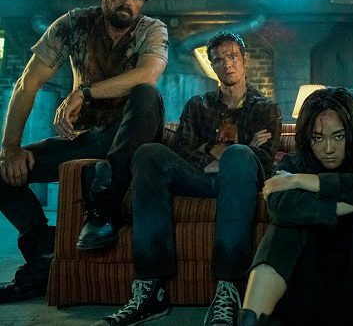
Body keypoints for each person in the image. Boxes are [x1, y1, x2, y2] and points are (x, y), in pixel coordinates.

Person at [0, 0, 168, 303]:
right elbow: (28, 82)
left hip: (131, 139)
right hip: (85, 138)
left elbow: (147, 74)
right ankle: (43, 254)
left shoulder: (151, 29)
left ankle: (102, 208)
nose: (128, 0)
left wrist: (84, 92)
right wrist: (11, 147)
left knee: (147, 94)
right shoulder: (74, 24)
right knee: (2, 174)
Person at [92, 31, 282, 326]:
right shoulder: (198, 105)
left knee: (238, 156)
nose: (227, 64)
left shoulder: (266, 108)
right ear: (212, 66)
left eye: (232, 57)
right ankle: (150, 288)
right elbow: (182, 150)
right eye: (218, 60)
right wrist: (218, 152)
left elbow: (265, 159)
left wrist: (221, 152)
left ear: (244, 60)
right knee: (148, 153)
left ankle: (228, 288)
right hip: (200, 179)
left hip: (240, 183)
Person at [239, 87, 353, 326]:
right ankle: (251, 319)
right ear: (307, 137)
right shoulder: (292, 164)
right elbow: (282, 208)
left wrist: (306, 181)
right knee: (286, 226)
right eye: (318, 138)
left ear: (352, 135)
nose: (328, 149)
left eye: (339, 137)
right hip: (302, 295)